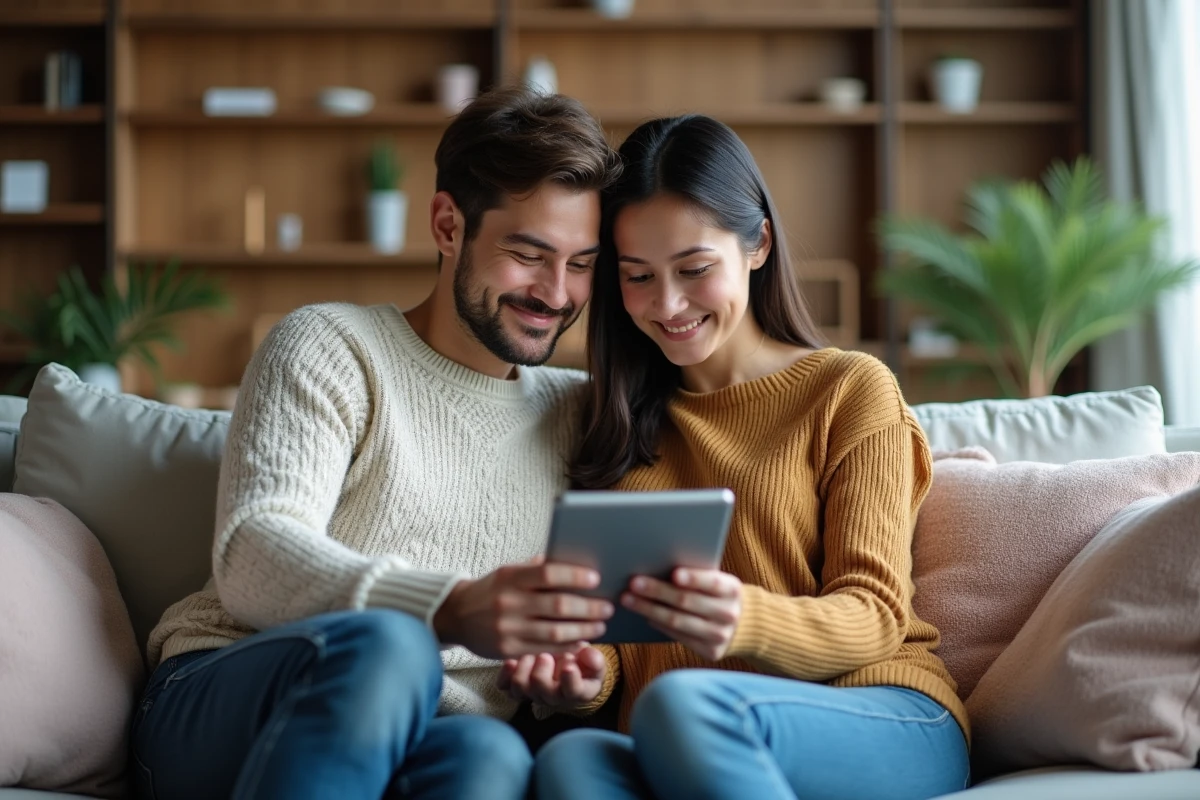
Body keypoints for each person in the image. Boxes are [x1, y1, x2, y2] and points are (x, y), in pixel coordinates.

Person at [128, 88, 623, 800]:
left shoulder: (579, 411)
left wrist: (569, 680)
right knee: (395, 644)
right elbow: (253, 552)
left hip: (435, 730)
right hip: (227, 693)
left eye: (582, 264)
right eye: (528, 253)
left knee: (492, 754)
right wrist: (448, 607)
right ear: (448, 225)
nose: (557, 292)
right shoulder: (333, 346)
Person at [498, 114, 971, 800]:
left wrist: (743, 618)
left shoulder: (848, 389)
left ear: (758, 245)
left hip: (884, 712)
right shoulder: (612, 421)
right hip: (682, 729)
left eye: (694, 269)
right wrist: (586, 678)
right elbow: (622, 639)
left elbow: (874, 614)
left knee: (684, 705)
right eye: (637, 277)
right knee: (572, 764)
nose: (667, 305)